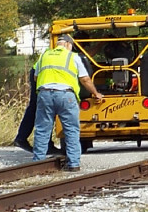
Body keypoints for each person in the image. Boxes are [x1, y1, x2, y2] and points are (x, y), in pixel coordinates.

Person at [32, 34, 104, 171]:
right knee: (71, 130)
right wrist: (95, 93)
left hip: (44, 94)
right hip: (66, 96)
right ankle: (74, 164)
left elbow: (36, 77)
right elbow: (85, 80)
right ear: (68, 45)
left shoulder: (44, 56)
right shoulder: (73, 57)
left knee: (42, 130)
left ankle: (37, 164)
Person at [12, 68, 60, 155]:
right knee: (41, 106)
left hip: (42, 71)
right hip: (44, 73)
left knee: (38, 106)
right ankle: (23, 139)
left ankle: (22, 138)